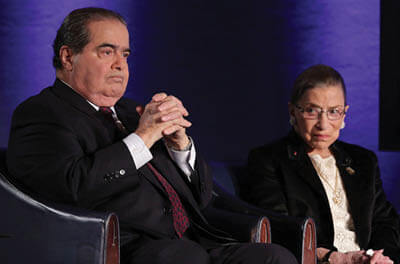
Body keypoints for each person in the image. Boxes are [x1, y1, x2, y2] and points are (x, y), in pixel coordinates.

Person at [6, 7, 297, 264]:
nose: (120, 64)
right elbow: (70, 187)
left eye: (125, 54)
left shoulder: (131, 112)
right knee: (185, 257)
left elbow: (202, 196)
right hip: (122, 246)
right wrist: (143, 137)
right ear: (68, 57)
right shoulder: (41, 114)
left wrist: (179, 146)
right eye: (107, 52)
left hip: (192, 239)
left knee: (273, 256)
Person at [240, 64, 400, 264]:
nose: (323, 124)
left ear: (344, 113)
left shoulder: (364, 160)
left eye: (334, 111)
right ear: (293, 111)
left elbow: (385, 221)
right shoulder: (269, 160)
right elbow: (278, 230)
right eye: (312, 111)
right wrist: (334, 258)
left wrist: (380, 256)